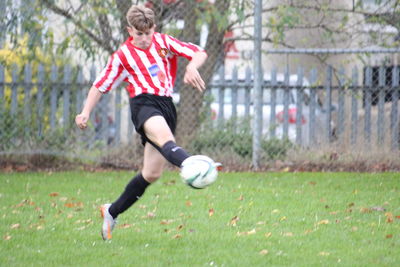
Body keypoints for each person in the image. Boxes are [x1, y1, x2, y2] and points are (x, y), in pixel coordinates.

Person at [75, 4, 214, 241]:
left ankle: (112, 211)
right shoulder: (122, 56)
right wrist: (85, 111)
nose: (144, 38)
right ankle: (193, 164)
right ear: (130, 31)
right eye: (139, 34)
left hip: (166, 106)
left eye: (148, 33)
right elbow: (100, 85)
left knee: (151, 173)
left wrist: (191, 66)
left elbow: (199, 52)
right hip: (143, 106)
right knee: (166, 140)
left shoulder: (163, 42)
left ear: (154, 28)